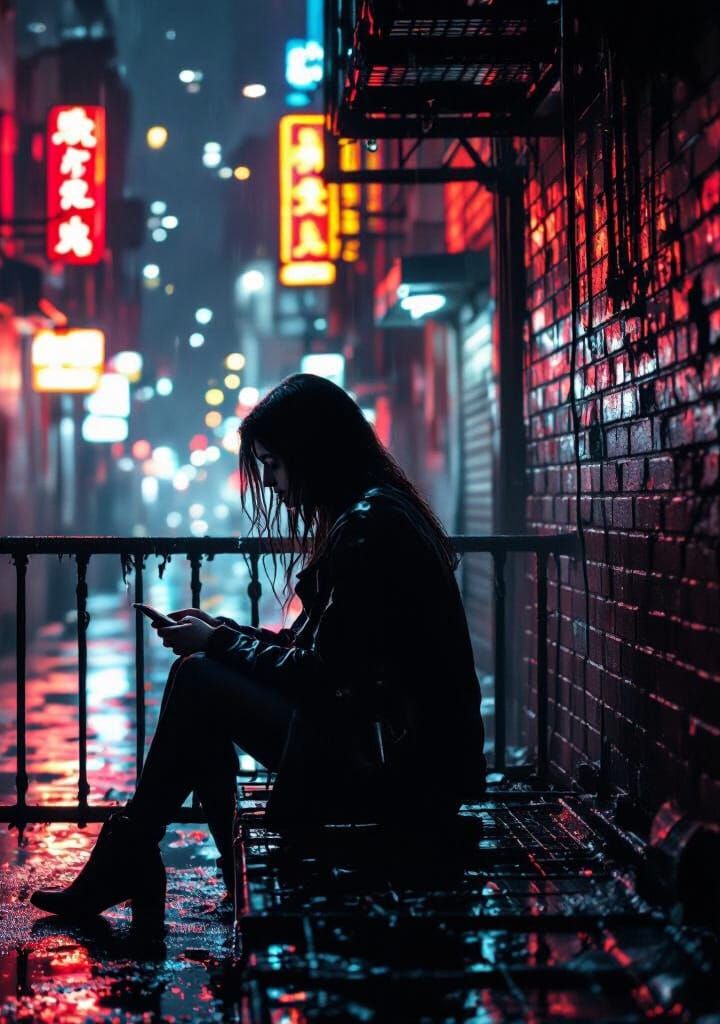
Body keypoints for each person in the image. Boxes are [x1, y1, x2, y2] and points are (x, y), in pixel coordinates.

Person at [30, 373, 486, 931]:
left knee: (199, 681)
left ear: (309, 452)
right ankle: (154, 856)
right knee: (198, 673)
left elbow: (320, 673)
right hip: (393, 755)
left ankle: (143, 856)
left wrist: (217, 643)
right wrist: (219, 631)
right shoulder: (371, 517)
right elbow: (319, 653)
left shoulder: (368, 530)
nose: (269, 483)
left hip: (403, 777)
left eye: (272, 464)